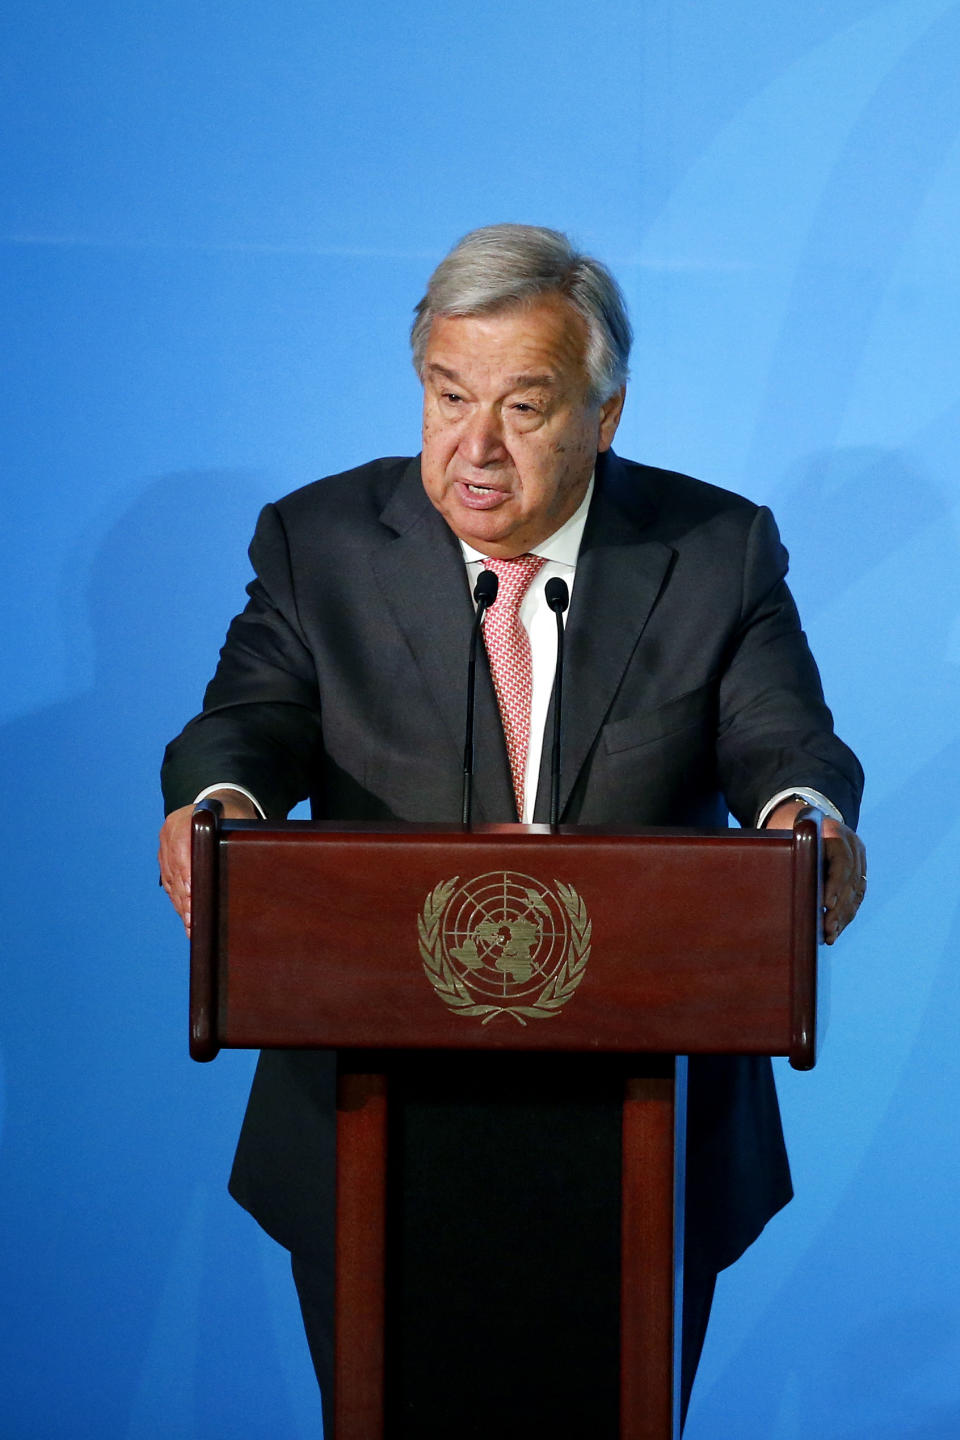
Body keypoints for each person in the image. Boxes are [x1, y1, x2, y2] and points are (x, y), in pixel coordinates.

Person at [159, 224, 866, 1435]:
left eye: (525, 408)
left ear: (606, 415)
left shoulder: (714, 552)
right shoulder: (318, 543)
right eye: (448, 397)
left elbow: (779, 743)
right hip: (371, 1118)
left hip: (644, 1127)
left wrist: (809, 820)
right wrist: (220, 806)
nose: (473, 449)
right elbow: (249, 718)